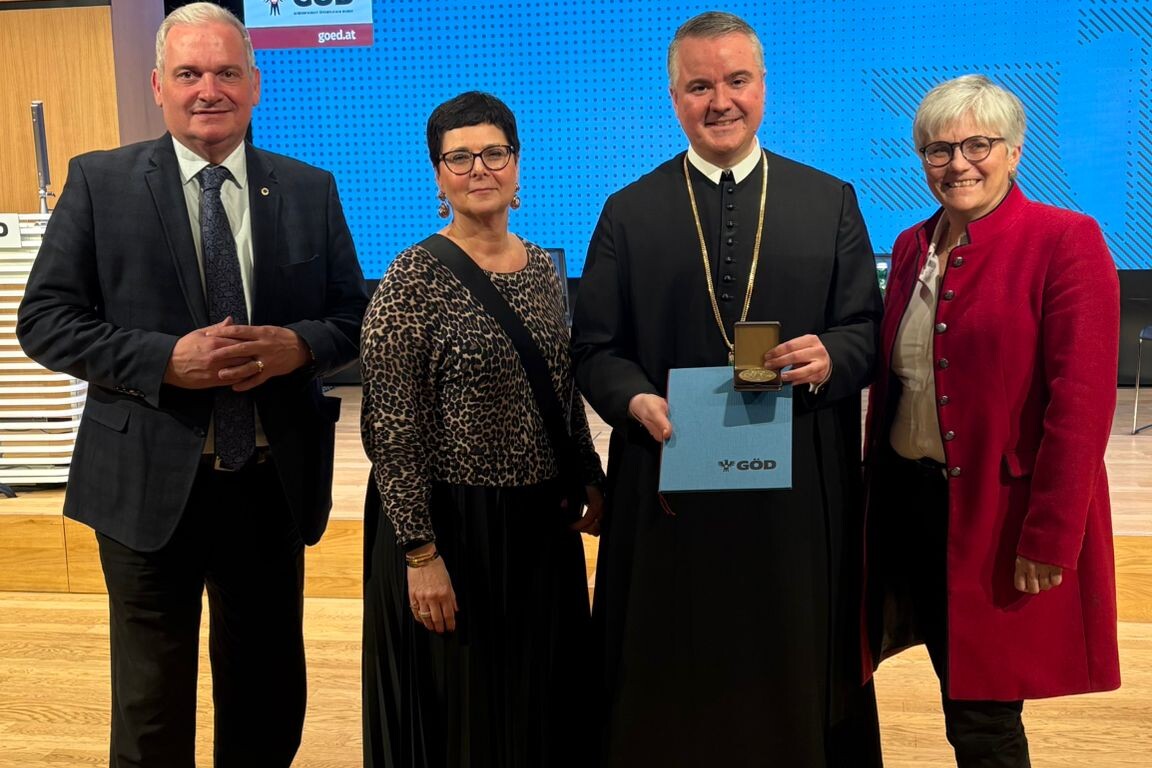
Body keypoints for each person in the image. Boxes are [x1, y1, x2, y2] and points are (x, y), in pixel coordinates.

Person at [15, 4, 368, 765]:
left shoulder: (308, 188)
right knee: (151, 707)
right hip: (143, 486)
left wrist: (297, 347)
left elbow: (352, 316)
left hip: (268, 485)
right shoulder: (99, 181)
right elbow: (44, 320)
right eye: (189, 73)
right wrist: (163, 361)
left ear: (255, 85)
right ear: (158, 86)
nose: (210, 89)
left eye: (227, 72)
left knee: (267, 696)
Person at [571, 11, 884, 767]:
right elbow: (596, 348)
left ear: (763, 86)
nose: (721, 102)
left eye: (736, 81)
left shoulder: (829, 200)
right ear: (674, 97)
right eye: (699, 86)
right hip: (670, 485)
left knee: (790, 664)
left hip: (796, 492)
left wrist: (832, 357)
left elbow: (865, 330)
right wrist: (632, 398)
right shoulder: (627, 212)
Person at [862, 74, 1121, 767]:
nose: (958, 164)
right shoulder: (912, 245)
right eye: (939, 150)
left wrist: (1052, 536)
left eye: (978, 145)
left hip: (997, 519)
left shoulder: (1065, 240)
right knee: (952, 692)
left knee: (983, 716)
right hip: (909, 507)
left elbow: (1081, 405)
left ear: (1014, 150)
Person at [360, 91, 605, 768]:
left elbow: (560, 388)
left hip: (538, 526)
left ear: (517, 163)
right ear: (438, 175)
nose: (479, 170)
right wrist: (419, 554)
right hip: (452, 528)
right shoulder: (410, 279)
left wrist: (588, 475)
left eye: (494, 153)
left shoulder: (542, 267)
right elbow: (393, 433)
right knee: (464, 717)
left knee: (539, 705)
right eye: (459, 158)